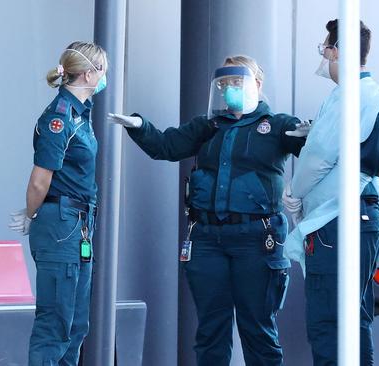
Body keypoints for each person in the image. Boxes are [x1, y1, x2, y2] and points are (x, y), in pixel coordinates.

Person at [107, 55, 306, 366]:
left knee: (258, 330)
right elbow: (167, 146)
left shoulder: (278, 126)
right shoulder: (210, 125)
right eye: (225, 85)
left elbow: (312, 151)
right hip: (207, 238)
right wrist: (140, 126)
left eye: (237, 83)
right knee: (211, 330)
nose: (230, 90)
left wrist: (313, 137)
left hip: (256, 239)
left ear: (257, 85)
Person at [283, 20, 379, 365]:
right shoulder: (374, 95)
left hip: (336, 221)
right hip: (365, 216)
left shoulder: (347, 97)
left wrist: (295, 191)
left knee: (328, 321)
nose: (325, 58)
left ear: (340, 51)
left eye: (326, 49)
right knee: (354, 317)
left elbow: (318, 157)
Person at [8, 41, 107, 365]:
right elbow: (40, 179)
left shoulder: (80, 116)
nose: (105, 77)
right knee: (55, 325)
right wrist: (31, 213)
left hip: (79, 227)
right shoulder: (60, 118)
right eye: (103, 69)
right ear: (90, 74)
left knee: (76, 325)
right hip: (61, 225)